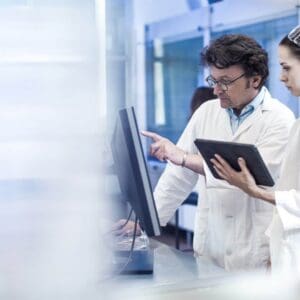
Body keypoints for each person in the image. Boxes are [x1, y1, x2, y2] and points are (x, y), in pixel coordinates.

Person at [114, 34, 295, 271]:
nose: (217, 90)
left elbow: (249, 173)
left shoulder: (280, 120)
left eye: (226, 81)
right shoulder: (207, 112)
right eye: (213, 80)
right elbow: (178, 176)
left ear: (255, 79)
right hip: (210, 246)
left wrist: (185, 158)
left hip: (254, 250)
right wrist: (146, 222)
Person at [211, 25, 300, 275]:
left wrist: (252, 190)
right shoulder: (298, 126)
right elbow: (289, 191)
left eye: (287, 67)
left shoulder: (284, 120)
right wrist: (274, 251)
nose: (281, 77)